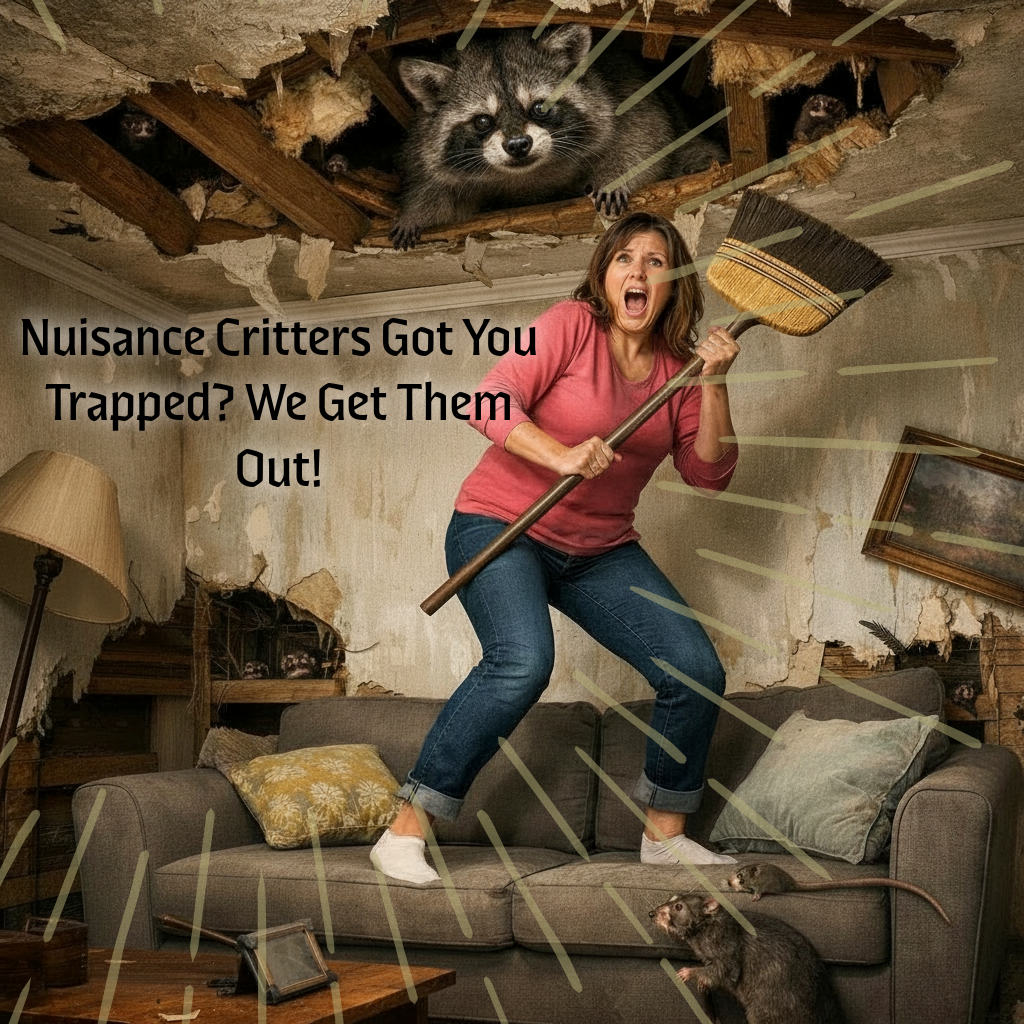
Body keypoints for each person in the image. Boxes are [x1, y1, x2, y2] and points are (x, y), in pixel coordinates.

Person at [372, 211, 741, 884]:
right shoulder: (571, 326)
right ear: (604, 275)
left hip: (599, 550)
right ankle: (405, 829)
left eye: (655, 261)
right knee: (522, 661)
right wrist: (561, 455)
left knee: (694, 668)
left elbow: (709, 473)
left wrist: (712, 380)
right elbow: (488, 403)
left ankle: (664, 835)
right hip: (500, 525)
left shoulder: (681, 372)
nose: (637, 271)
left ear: (672, 283)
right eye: (624, 258)